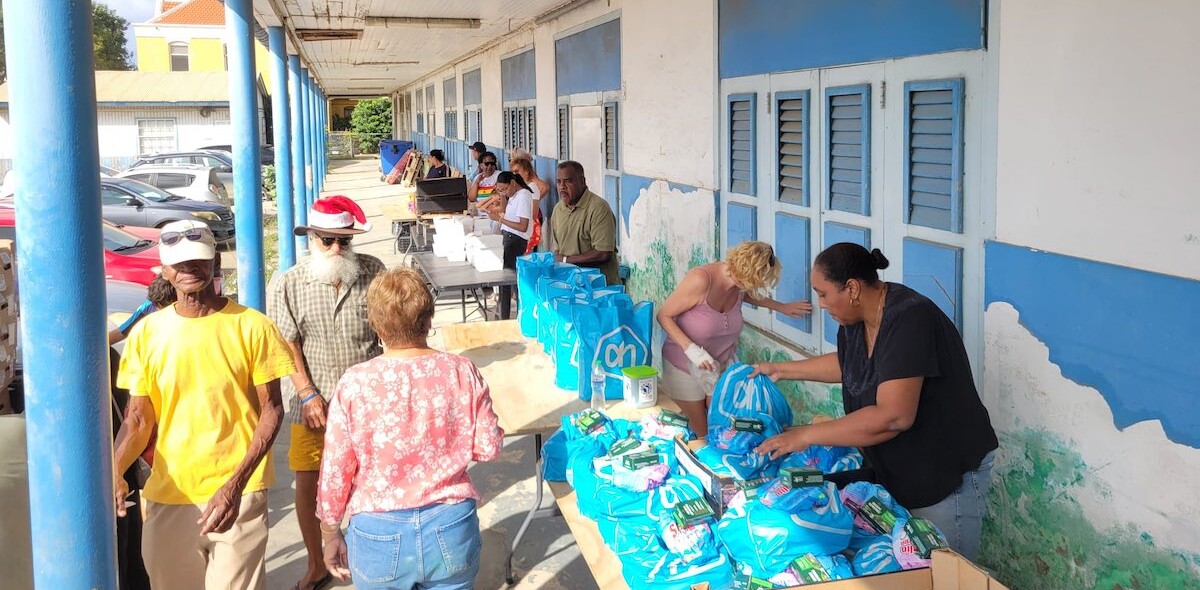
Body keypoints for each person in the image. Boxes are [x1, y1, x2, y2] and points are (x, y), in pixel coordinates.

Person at [754, 243, 998, 560]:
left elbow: (894, 416)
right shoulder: (855, 322)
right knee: (911, 569)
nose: (822, 304)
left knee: (946, 572)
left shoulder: (910, 318)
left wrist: (805, 435)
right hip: (899, 470)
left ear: (852, 288)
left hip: (943, 473)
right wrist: (782, 370)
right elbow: (849, 364)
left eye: (824, 293)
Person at [111, 220, 295, 589]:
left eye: (198, 260)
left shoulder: (252, 326)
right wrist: (115, 471)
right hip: (170, 492)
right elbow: (137, 420)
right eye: (179, 263)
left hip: (238, 492)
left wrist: (235, 485)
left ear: (215, 262)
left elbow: (272, 409)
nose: (189, 269)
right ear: (165, 271)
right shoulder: (147, 333)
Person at [317, 268, 504, 589]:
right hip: (450, 525)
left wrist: (330, 533)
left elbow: (336, 469)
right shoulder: (461, 371)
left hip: (378, 532)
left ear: (375, 326)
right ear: (429, 318)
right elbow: (489, 447)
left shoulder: (355, 382)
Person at [270, 196, 386, 590]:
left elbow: (389, 331)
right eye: (327, 241)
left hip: (367, 402)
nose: (336, 249)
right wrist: (306, 392)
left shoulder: (373, 273)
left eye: (344, 242)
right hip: (312, 403)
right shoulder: (289, 282)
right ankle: (317, 562)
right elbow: (288, 344)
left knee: (371, 478)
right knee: (309, 481)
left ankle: (367, 553)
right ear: (312, 239)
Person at [657, 241, 812, 436]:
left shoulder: (740, 286)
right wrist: (692, 351)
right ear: (739, 268)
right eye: (749, 282)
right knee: (700, 431)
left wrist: (781, 307)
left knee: (721, 426)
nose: (748, 288)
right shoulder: (701, 279)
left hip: (720, 364)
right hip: (683, 364)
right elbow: (663, 315)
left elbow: (748, 295)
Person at [550, 160, 619, 285]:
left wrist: (566, 260)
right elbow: (557, 250)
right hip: (571, 286)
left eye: (568, 181)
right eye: (558, 182)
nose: (562, 187)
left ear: (582, 181)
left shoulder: (598, 208)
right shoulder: (558, 209)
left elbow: (603, 254)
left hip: (599, 289)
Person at [484, 171, 533, 320]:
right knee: (508, 279)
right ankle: (505, 313)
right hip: (508, 237)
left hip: (516, 240)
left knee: (508, 280)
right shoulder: (513, 196)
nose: (503, 193)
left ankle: (506, 316)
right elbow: (506, 211)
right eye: (500, 190)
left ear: (513, 183)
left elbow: (523, 226)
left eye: (504, 189)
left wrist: (500, 220)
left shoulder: (523, 195)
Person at [108, 275, 177, 346]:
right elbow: (123, 332)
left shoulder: (185, 316)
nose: (158, 312)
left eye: (164, 308)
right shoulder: (148, 306)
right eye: (157, 306)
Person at [509, 157, 547, 254]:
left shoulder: (532, 188)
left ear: (526, 171)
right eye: (513, 172)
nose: (514, 175)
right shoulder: (522, 188)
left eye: (517, 171)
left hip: (528, 230)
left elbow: (533, 214)